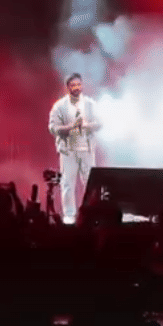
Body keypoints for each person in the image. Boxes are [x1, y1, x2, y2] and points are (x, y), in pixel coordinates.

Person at [48, 73, 101, 225]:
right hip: (68, 150)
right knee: (67, 183)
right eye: (73, 85)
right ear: (68, 87)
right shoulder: (60, 106)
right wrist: (70, 128)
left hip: (86, 149)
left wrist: (86, 126)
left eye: (79, 84)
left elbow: (100, 123)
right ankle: (69, 216)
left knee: (90, 183)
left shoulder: (90, 104)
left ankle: (91, 214)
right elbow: (52, 128)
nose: (77, 87)